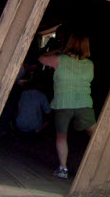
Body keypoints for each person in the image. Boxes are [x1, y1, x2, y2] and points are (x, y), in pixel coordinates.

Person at [39, 32, 96, 179]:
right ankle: (97, 167)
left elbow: (41, 59)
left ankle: (63, 168)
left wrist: (57, 48)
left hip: (63, 103)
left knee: (61, 136)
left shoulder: (59, 59)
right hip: (84, 103)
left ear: (69, 44)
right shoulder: (90, 64)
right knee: (96, 136)